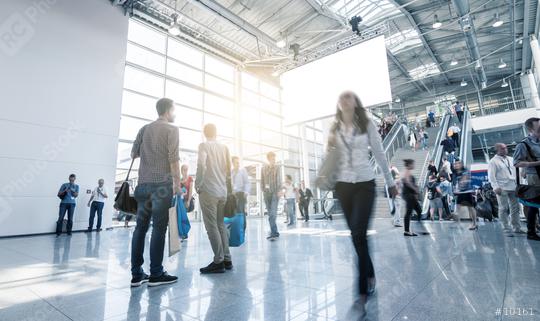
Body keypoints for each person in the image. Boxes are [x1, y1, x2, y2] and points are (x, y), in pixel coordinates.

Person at [326, 91, 397, 312]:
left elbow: (380, 152)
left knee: (359, 234)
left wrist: (390, 181)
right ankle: (370, 273)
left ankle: (362, 292)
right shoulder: (334, 128)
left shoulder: (367, 124)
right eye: (342, 97)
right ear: (339, 104)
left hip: (365, 184)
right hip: (343, 186)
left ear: (356, 102)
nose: (345, 99)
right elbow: (329, 157)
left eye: (350, 96)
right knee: (356, 237)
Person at [130, 97, 179, 287]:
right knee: (159, 229)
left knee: (140, 228)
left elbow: (133, 154)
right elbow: (174, 158)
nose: (174, 114)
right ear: (167, 110)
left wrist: (149, 149)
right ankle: (156, 274)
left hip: (142, 186)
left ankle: (136, 275)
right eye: (174, 110)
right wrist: (177, 183)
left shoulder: (144, 129)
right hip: (161, 186)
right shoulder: (171, 129)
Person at [196, 123, 233, 274]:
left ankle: (218, 261)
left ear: (205, 133)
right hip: (222, 191)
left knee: (211, 226)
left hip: (209, 191)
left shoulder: (204, 146)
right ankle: (227, 258)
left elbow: (201, 165)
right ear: (216, 132)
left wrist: (198, 184)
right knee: (220, 225)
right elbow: (228, 170)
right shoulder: (224, 148)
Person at [513, 117, 540, 241]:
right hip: (534, 177)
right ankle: (531, 232)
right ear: (530, 129)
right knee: (534, 206)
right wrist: (535, 164)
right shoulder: (524, 144)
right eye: (538, 127)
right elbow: (517, 163)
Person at [488, 143, 524, 234]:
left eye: (506, 148)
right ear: (497, 150)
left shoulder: (511, 159)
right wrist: (495, 187)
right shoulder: (493, 161)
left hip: (513, 186)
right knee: (503, 208)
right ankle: (506, 228)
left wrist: (520, 183)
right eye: (502, 148)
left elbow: (517, 172)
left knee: (515, 208)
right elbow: (491, 176)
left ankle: (516, 228)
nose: (505, 150)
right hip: (501, 188)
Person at [261, 151, 282, 241]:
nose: (274, 160)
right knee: (270, 214)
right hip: (266, 193)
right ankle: (275, 231)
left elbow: (279, 180)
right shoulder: (263, 168)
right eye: (272, 158)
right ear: (269, 159)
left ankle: (274, 232)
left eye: (274, 158)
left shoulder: (277, 168)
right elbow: (262, 180)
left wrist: (279, 191)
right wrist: (263, 190)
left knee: (273, 213)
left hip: (275, 193)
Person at [453, 160, 478, 230]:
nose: (456, 165)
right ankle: (458, 224)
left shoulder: (465, 171)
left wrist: (458, 188)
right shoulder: (456, 173)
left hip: (467, 192)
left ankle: (474, 223)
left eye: (458, 164)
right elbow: (457, 183)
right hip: (461, 193)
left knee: (470, 208)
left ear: (461, 164)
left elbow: (464, 180)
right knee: (458, 208)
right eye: (455, 164)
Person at [402, 159, 422, 236]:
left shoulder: (408, 172)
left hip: (411, 195)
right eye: (413, 164)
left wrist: (415, 192)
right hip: (408, 195)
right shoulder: (407, 172)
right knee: (409, 212)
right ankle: (407, 231)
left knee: (419, 210)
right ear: (409, 165)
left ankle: (413, 229)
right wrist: (415, 189)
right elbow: (407, 183)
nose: (414, 165)